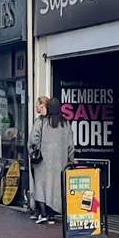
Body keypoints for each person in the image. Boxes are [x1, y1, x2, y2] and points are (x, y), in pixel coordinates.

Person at [29, 95, 74, 225]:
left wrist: (34, 150)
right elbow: (70, 145)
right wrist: (71, 159)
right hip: (60, 162)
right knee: (55, 188)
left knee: (41, 187)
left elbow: (33, 139)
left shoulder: (42, 122)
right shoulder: (65, 123)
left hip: (42, 161)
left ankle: (43, 214)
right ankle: (51, 214)